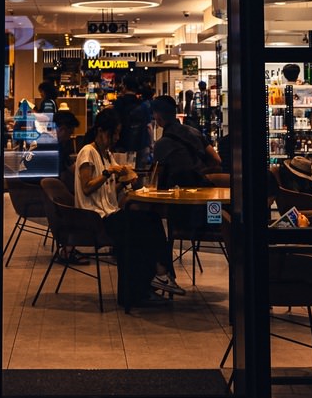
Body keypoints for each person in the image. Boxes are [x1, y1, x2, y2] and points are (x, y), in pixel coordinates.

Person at [75, 110, 183, 304]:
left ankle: (155, 279)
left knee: (149, 220)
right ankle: (159, 275)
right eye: (113, 133)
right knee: (142, 224)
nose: (116, 138)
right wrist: (108, 173)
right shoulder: (88, 152)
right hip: (95, 218)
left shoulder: (106, 154)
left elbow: (106, 191)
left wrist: (124, 182)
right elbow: (87, 187)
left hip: (109, 213)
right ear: (100, 131)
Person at [149, 95, 220, 189]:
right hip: (202, 188)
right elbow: (217, 159)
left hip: (177, 195)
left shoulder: (161, 145)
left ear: (158, 116)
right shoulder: (194, 132)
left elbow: (158, 178)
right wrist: (200, 172)